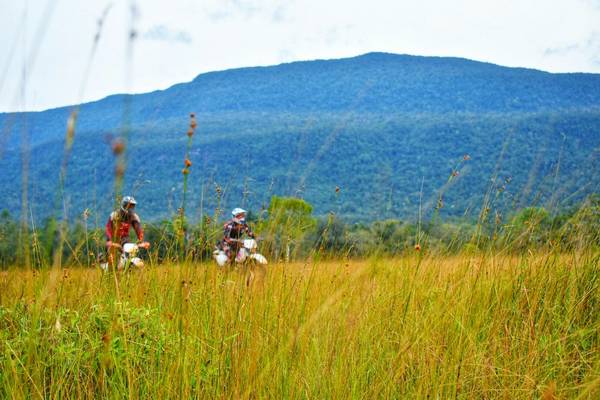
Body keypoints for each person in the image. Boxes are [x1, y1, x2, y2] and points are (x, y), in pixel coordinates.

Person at [105, 196, 147, 265]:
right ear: (123, 205)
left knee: (133, 256)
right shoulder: (114, 215)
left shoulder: (133, 217)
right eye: (128, 206)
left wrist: (142, 242)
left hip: (125, 241)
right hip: (114, 241)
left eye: (132, 207)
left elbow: (138, 229)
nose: (130, 209)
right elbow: (108, 229)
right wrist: (110, 241)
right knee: (113, 259)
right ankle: (110, 269)